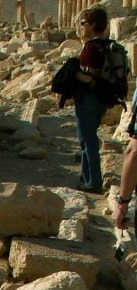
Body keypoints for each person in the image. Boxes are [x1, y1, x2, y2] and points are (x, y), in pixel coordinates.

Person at [74, 6, 110, 194]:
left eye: (83, 23)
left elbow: (89, 76)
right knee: (87, 138)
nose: (80, 27)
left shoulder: (91, 47)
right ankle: (86, 175)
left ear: (93, 25)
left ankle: (93, 182)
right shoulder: (107, 45)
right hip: (102, 99)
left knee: (88, 140)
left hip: (89, 98)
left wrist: (73, 74)